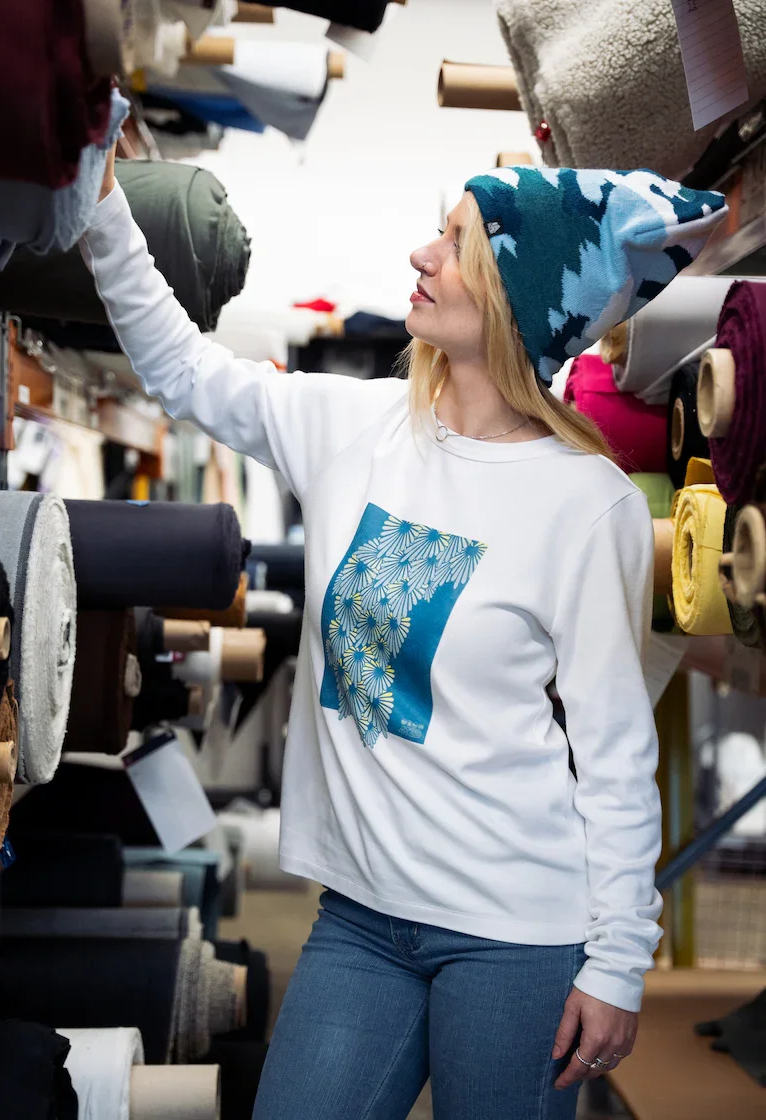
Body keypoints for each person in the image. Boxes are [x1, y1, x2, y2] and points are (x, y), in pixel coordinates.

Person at [83, 153, 726, 1119]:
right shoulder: (356, 427)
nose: (423, 254)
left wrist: (620, 962)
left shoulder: (586, 506)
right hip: (362, 920)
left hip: (519, 934)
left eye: (460, 243)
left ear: (520, 300)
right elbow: (181, 369)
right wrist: (94, 201)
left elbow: (615, 750)